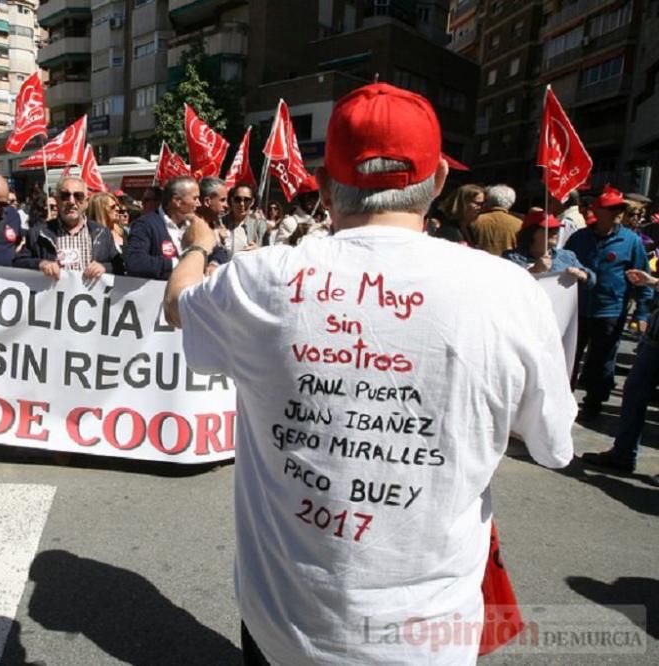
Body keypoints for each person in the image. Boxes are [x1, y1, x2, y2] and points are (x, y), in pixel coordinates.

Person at [163, 82, 575, 665]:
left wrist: (197, 248)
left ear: (326, 187)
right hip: (428, 634)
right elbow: (553, 443)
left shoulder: (261, 279)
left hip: (284, 622)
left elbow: (179, 305)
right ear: (438, 185)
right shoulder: (511, 292)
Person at [565, 184, 653, 420]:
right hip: (577, 308)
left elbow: (641, 277)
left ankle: (594, 402)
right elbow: (562, 264)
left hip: (610, 311)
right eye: (611, 208)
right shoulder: (579, 238)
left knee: (602, 360)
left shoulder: (631, 241)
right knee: (570, 356)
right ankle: (563, 398)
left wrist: (641, 313)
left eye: (619, 209)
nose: (617, 213)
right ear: (598, 211)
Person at [582, 267, 659, 483]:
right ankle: (623, 454)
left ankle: (623, 453)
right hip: (655, 338)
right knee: (634, 391)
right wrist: (652, 282)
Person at [14, 176, 120, 280]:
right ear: (57, 200)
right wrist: (40, 264)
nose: (71, 201)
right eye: (65, 196)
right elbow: (18, 262)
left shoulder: (102, 234)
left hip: (90, 296)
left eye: (78, 196)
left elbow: (118, 266)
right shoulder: (37, 234)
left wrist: (104, 268)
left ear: (86, 202)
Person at [125, 176, 220, 279]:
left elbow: (218, 250)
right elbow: (135, 262)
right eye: (195, 198)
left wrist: (213, 264)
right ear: (177, 201)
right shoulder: (145, 225)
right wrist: (178, 263)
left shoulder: (195, 222)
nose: (198, 203)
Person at [502, 211, 594, 286]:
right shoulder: (511, 258)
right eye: (549, 229)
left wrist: (584, 275)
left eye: (557, 229)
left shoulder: (567, 256)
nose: (555, 232)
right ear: (532, 233)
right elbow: (506, 285)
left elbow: (592, 280)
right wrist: (534, 271)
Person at [469, 184, 521, 256]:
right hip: (507, 264)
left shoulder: (474, 220)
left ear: (488, 200)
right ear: (512, 203)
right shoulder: (519, 224)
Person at [221, 184, 267, 256]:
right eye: (238, 199)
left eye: (247, 200)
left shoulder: (259, 225)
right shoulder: (220, 222)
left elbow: (269, 252)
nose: (242, 204)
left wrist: (259, 250)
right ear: (232, 200)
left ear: (252, 202)